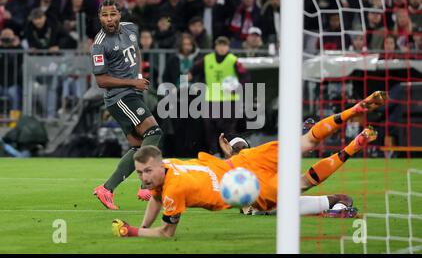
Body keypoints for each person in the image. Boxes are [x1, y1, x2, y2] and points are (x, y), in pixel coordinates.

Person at [110, 91, 387, 238]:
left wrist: (135, 230)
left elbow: (165, 228)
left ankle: (354, 132)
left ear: (157, 165)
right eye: (140, 174)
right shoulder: (167, 166)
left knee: (301, 179)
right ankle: (354, 118)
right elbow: (156, 197)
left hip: (248, 184)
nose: (143, 178)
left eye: (145, 172)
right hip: (245, 173)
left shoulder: (171, 187)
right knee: (304, 147)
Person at [91, 0, 163, 210]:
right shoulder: (99, 44)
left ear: (120, 15)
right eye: (105, 15)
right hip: (119, 98)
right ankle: (145, 185)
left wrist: (138, 75)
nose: (109, 19)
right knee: (154, 132)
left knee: (138, 146)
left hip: (132, 93)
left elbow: (136, 50)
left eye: (113, 14)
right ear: (99, 17)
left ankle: (106, 189)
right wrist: (133, 82)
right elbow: (101, 81)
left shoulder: (131, 29)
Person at [188, 36, 250, 154]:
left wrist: (238, 87)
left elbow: (245, 76)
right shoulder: (208, 59)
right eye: (219, 45)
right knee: (210, 128)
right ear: (215, 47)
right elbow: (194, 69)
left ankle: (228, 152)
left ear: (228, 47)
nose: (222, 48)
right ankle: (214, 152)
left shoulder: (233, 60)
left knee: (228, 129)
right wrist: (190, 74)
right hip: (212, 99)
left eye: (224, 45)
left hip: (229, 100)